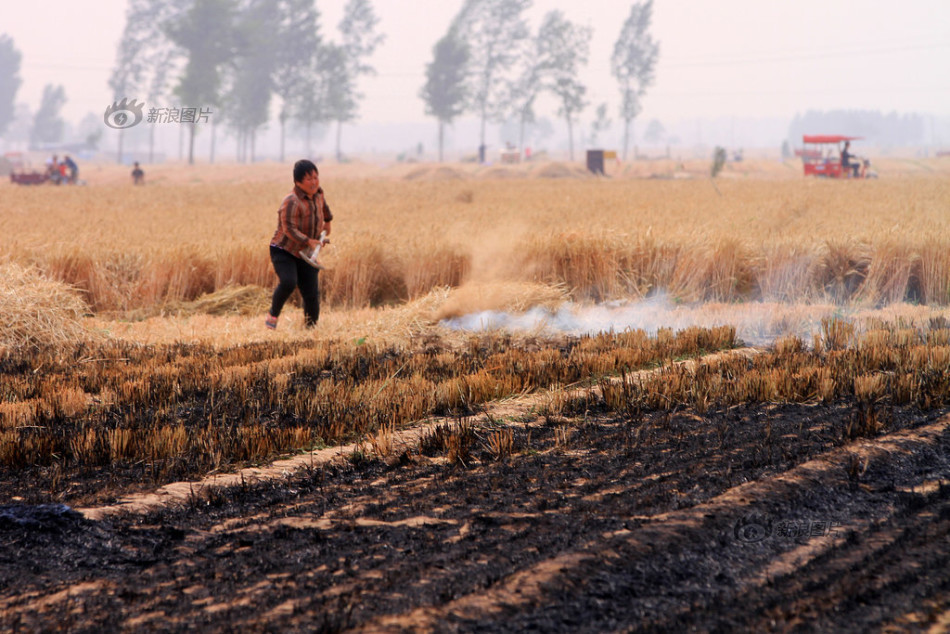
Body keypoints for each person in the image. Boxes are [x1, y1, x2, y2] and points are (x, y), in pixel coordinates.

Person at [266, 159, 333, 330]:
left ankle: (311, 329)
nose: (314, 182)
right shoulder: (291, 201)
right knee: (288, 282)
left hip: (306, 252)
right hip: (284, 250)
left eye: (316, 177)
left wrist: (328, 221)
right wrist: (308, 240)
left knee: (311, 292)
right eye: (309, 179)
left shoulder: (319, 194)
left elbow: (324, 208)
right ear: (298, 182)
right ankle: (273, 315)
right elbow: (289, 228)